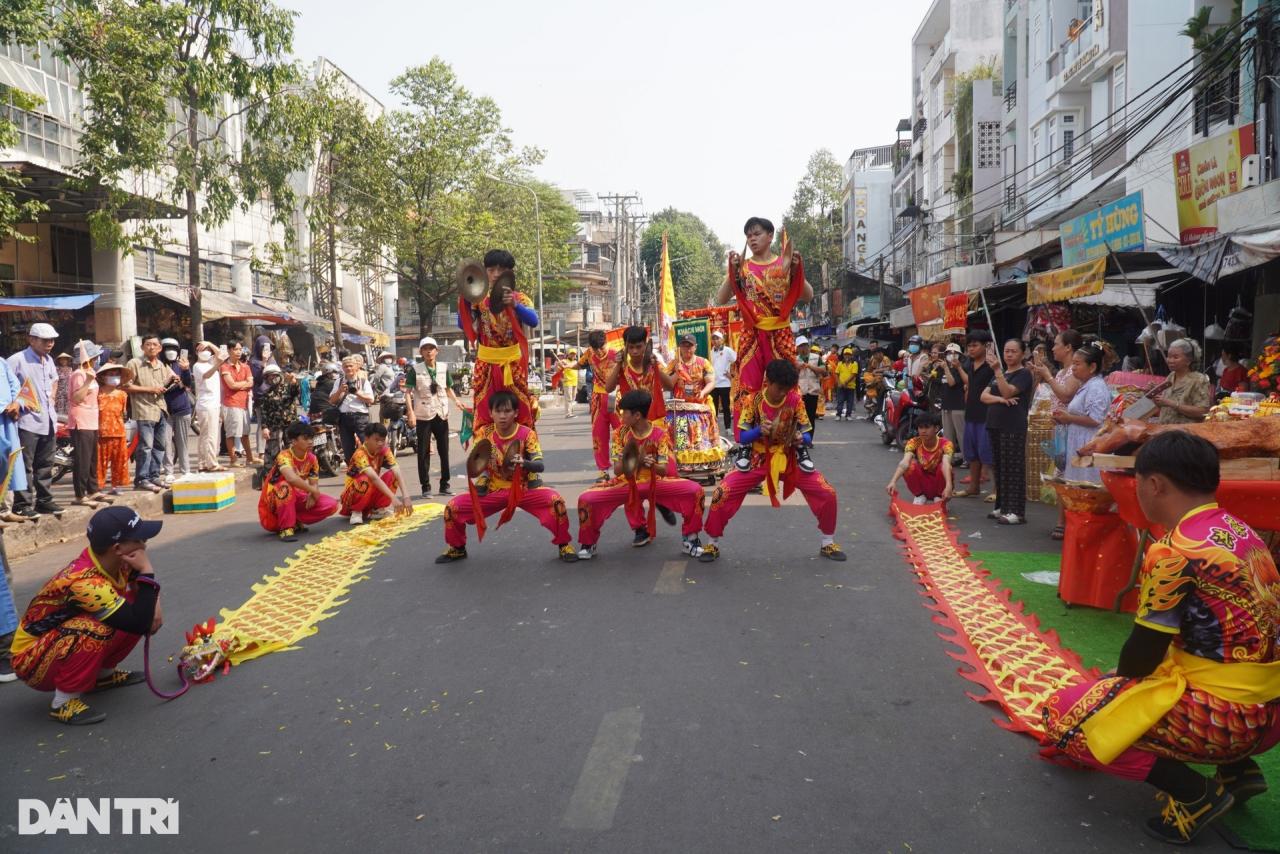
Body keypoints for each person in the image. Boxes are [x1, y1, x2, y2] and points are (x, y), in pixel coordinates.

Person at [1042, 432, 1280, 845]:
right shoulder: (1241, 531)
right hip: (1271, 710)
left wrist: (1118, 682)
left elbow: (1141, 657)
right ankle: (1238, 771)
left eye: (1136, 481)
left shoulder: (1175, 551)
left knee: (1067, 718)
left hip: (1233, 720)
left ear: (1154, 485)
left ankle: (1197, 795)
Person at [9, 506, 164, 724]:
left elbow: (142, 599)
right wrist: (148, 572)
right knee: (94, 626)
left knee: (132, 607)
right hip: (30, 660)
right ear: (118, 547)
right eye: (138, 539)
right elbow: (139, 622)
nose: (144, 544)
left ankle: (103, 676)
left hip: (57, 642)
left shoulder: (117, 561)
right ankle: (63, 702)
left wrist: (154, 598)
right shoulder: (84, 582)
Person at [701, 359, 845, 563]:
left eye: (787, 389)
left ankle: (827, 541)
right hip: (757, 457)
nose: (782, 393)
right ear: (768, 381)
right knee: (721, 492)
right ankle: (712, 543)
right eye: (779, 388)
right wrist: (760, 430)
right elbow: (742, 437)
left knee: (827, 493)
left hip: (788, 456)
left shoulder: (795, 400)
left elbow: (808, 436)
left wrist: (798, 438)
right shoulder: (753, 401)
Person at [436, 390, 576, 563]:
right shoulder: (484, 435)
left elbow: (540, 464)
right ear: (490, 413)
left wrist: (524, 462)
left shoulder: (526, 434)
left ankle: (564, 545)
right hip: (493, 489)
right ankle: (457, 548)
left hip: (523, 488)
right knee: (452, 507)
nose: (502, 416)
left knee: (556, 502)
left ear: (516, 413)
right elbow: (476, 464)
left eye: (507, 411)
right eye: (498, 411)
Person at [574, 389, 708, 559]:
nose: (621, 418)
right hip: (627, 483)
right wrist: (635, 459)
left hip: (655, 481)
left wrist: (651, 463)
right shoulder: (619, 434)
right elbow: (617, 470)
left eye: (624, 414)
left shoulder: (660, 434)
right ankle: (588, 543)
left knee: (695, 490)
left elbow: (663, 470)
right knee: (587, 499)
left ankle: (691, 538)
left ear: (637, 415)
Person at [715, 217, 813, 432]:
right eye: (748, 236)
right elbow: (721, 298)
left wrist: (798, 272)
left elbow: (808, 295)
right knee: (748, 385)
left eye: (757, 234)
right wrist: (731, 273)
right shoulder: (743, 267)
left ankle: (791, 431)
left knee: (786, 383)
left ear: (770, 236)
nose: (752, 239)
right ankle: (747, 437)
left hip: (780, 334)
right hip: (752, 334)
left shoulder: (785, 264)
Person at [459, 249, 539, 429]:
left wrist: (515, 306)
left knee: (520, 408)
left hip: (513, 363)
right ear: (484, 271)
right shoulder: (477, 299)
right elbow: (462, 324)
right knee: (484, 410)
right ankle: (486, 452)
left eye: (501, 270)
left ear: (509, 273)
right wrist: (465, 302)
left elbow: (533, 321)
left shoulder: (520, 298)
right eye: (491, 270)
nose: (495, 274)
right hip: (485, 363)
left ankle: (524, 450)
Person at [1050, 343, 1111, 539]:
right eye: (1073, 364)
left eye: (1077, 364)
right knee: (1076, 487)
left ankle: (1087, 530)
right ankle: (1078, 528)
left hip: (1088, 442)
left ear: (1092, 367)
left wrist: (1069, 418)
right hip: (1078, 440)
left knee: (1087, 486)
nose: (1073, 368)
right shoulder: (1086, 385)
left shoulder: (1097, 387)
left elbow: (1096, 419)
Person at [8, 322, 61, 516]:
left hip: (48, 419)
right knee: (25, 465)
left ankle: (44, 501)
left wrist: (53, 398)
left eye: (52, 340)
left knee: (46, 464)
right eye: (45, 340)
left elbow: (54, 380)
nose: (50, 343)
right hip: (26, 421)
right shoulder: (17, 360)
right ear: (31, 340)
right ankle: (22, 505)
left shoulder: (48, 360)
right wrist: (16, 404)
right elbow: (5, 385)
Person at [980, 339, 1034, 525]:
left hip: (1013, 425)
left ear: (1022, 354)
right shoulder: (1001, 373)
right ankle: (1002, 506)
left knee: (1013, 468)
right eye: (1006, 351)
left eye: (1013, 351)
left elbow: (1008, 393)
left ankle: (1016, 511)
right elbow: (984, 396)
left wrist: (996, 371)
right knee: (1000, 467)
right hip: (995, 423)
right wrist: (1000, 401)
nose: (1009, 355)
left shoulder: (1024, 373)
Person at [258, 422, 339, 542]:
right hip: (272, 506)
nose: (310, 442)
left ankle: (295, 520)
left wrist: (313, 494)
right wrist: (313, 491)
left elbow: (313, 482)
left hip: (295, 497)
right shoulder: (284, 455)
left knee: (331, 505)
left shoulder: (312, 458)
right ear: (294, 441)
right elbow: (291, 478)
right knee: (284, 487)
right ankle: (286, 529)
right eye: (306, 439)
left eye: (311, 438)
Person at [405, 336, 461, 498]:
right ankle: (426, 487)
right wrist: (410, 412)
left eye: (432, 348)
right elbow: (408, 393)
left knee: (444, 451)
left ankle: (445, 484)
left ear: (437, 351)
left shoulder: (443, 368)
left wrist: (457, 401)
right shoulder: (415, 370)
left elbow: (448, 388)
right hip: (423, 414)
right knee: (423, 452)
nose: (429, 351)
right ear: (421, 352)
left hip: (441, 413)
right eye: (425, 348)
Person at [122, 334, 172, 494]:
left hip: (161, 409)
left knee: (159, 446)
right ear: (142, 347)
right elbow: (126, 386)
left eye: (154, 345)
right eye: (148, 344)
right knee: (145, 447)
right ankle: (142, 478)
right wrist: (150, 389)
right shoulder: (134, 363)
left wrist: (171, 382)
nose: (151, 347)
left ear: (160, 348)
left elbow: (162, 385)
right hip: (144, 410)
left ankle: (154, 475)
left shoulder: (161, 365)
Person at [338, 422, 411, 525]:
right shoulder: (360, 454)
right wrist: (394, 499)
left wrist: (406, 497)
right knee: (366, 478)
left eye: (382, 440)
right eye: (376, 440)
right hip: (351, 497)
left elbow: (397, 469)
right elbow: (373, 478)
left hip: (370, 491)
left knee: (393, 474)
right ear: (367, 438)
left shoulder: (384, 450)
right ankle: (356, 511)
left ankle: (377, 509)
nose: (380, 443)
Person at [572, 330, 620, 480]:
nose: (599, 352)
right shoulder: (589, 353)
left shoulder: (617, 353)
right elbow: (579, 365)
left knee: (621, 433)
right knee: (599, 435)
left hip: (617, 397)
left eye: (601, 347)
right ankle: (603, 471)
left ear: (606, 342)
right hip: (597, 399)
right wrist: (566, 366)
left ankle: (624, 468)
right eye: (595, 348)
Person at [606, 325, 675, 422]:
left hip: (653, 419)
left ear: (645, 345)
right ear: (625, 346)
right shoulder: (621, 366)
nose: (635, 351)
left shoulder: (654, 364)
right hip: (630, 421)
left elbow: (670, 386)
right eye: (631, 347)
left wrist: (656, 367)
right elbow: (608, 388)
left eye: (639, 347)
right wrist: (618, 365)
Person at [67, 341, 106, 508]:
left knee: (91, 458)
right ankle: (79, 494)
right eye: (96, 356)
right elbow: (76, 398)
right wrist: (87, 381)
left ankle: (93, 489)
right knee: (82, 459)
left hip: (92, 420)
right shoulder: (78, 374)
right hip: (81, 420)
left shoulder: (90, 372)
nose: (98, 358)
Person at [955, 330, 994, 498]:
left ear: (986, 346)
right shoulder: (970, 365)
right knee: (972, 454)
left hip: (987, 414)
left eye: (975, 345)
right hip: (971, 413)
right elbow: (970, 384)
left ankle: (996, 490)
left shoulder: (993, 366)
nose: (971, 349)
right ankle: (973, 486)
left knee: (989, 454)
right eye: (969, 346)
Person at [885, 411, 954, 505]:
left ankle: (939, 497)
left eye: (927, 427)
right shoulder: (914, 442)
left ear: (936, 428)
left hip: (940, 483)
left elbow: (946, 465)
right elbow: (904, 463)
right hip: (923, 482)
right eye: (920, 427)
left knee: (944, 467)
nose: (923, 431)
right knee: (910, 465)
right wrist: (893, 481)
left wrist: (949, 486)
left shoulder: (946, 444)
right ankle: (920, 496)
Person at [1154, 339, 1213, 424]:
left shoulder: (1198, 380)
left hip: (1185, 433)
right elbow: (1162, 405)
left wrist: (1172, 404)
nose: (1170, 360)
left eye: (1175, 357)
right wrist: (1154, 395)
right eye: (1169, 356)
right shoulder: (1171, 376)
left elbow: (1203, 411)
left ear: (1188, 361)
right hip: (1166, 430)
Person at [159, 338, 193, 481]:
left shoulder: (182, 365)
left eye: (173, 349)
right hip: (165, 410)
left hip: (182, 408)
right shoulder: (159, 366)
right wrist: (169, 382)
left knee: (182, 442)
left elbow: (188, 384)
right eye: (167, 349)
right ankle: (168, 472)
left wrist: (185, 371)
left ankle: (186, 470)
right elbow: (159, 387)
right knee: (166, 442)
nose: (171, 352)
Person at [330, 356, 374, 463]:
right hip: (344, 418)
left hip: (360, 417)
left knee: (367, 446)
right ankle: (354, 473)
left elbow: (370, 400)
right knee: (347, 449)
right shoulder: (339, 382)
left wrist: (357, 392)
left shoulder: (363, 382)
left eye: (350, 366)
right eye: (346, 366)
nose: (348, 368)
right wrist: (340, 391)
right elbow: (332, 400)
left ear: (356, 367)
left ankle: (370, 470)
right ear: (343, 368)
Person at [0, 356, 28, 524]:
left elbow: (15, 386)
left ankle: (5, 509)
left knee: (9, 462)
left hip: (6, 419)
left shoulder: (2, 362)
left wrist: (17, 404)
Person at [219, 339, 256, 467]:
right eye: (236, 349)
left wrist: (239, 385)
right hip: (231, 403)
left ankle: (250, 458)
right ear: (229, 350)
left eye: (240, 349)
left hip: (244, 403)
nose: (239, 352)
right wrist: (244, 384)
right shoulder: (225, 366)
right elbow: (231, 385)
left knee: (245, 433)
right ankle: (233, 459)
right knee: (232, 433)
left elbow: (251, 382)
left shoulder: (246, 366)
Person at [95, 363, 130, 495]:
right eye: (111, 374)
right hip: (101, 432)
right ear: (103, 377)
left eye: (117, 374)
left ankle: (116, 486)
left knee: (119, 461)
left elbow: (123, 412)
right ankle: (99, 486)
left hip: (119, 431)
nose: (114, 377)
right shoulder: (98, 393)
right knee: (100, 462)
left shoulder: (122, 394)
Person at [191, 341, 226, 472]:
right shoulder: (197, 366)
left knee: (205, 435)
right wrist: (217, 364)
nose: (205, 352)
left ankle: (202, 463)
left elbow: (223, 354)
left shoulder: (210, 361)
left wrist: (210, 344)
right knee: (210, 435)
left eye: (207, 350)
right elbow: (207, 375)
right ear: (196, 352)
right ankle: (212, 463)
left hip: (213, 403)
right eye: (202, 349)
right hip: (206, 404)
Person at [258, 363, 301, 465]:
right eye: (269, 376)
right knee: (272, 457)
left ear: (279, 375)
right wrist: (264, 428)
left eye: (274, 375)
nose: (272, 378)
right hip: (274, 427)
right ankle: (273, 478)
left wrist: (294, 382)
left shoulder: (288, 388)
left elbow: (296, 391)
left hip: (290, 426)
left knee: (293, 454)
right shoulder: (266, 394)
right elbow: (264, 413)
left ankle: (296, 476)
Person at [667, 334, 715, 404]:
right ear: (680, 347)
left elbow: (711, 382)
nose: (687, 349)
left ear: (695, 347)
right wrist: (677, 373)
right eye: (684, 346)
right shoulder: (673, 364)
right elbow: (667, 385)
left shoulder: (703, 363)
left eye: (690, 346)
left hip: (699, 405)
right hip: (679, 406)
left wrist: (703, 392)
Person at [939, 342, 966, 463]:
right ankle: (949, 458)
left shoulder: (961, 368)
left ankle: (967, 459)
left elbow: (952, 383)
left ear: (959, 355)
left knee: (961, 434)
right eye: (949, 353)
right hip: (946, 405)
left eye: (954, 353)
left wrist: (945, 368)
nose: (951, 355)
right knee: (948, 435)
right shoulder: (945, 368)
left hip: (958, 405)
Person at [794, 336, 826, 437]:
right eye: (801, 346)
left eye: (805, 345)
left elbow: (824, 371)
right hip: (799, 392)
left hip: (812, 391)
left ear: (808, 346)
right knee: (798, 417)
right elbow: (790, 374)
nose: (803, 348)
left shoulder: (816, 357)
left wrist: (811, 367)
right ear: (797, 348)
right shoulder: (794, 359)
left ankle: (809, 439)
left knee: (811, 416)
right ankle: (799, 438)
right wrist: (797, 368)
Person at [709, 330, 736, 431]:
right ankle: (714, 429)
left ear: (722, 340)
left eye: (717, 338)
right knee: (713, 407)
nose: (715, 341)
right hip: (713, 384)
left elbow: (736, 360)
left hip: (725, 383)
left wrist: (732, 374)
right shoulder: (710, 352)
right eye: (713, 338)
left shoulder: (728, 350)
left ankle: (728, 428)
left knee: (726, 407)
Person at [557, 349, 580, 417]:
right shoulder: (564, 361)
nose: (573, 355)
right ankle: (568, 413)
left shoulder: (576, 362)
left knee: (573, 398)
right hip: (567, 382)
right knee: (568, 398)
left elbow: (576, 366)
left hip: (574, 382)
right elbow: (558, 369)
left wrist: (566, 365)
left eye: (574, 354)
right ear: (568, 354)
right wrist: (560, 364)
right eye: (571, 354)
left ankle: (570, 411)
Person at [53, 350, 73, 419]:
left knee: (67, 412)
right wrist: (54, 396)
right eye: (62, 359)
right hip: (59, 394)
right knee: (59, 413)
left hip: (68, 394)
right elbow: (54, 382)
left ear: (67, 360)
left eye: (65, 359)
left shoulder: (70, 369)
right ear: (59, 360)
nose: (64, 361)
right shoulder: (56, 369)